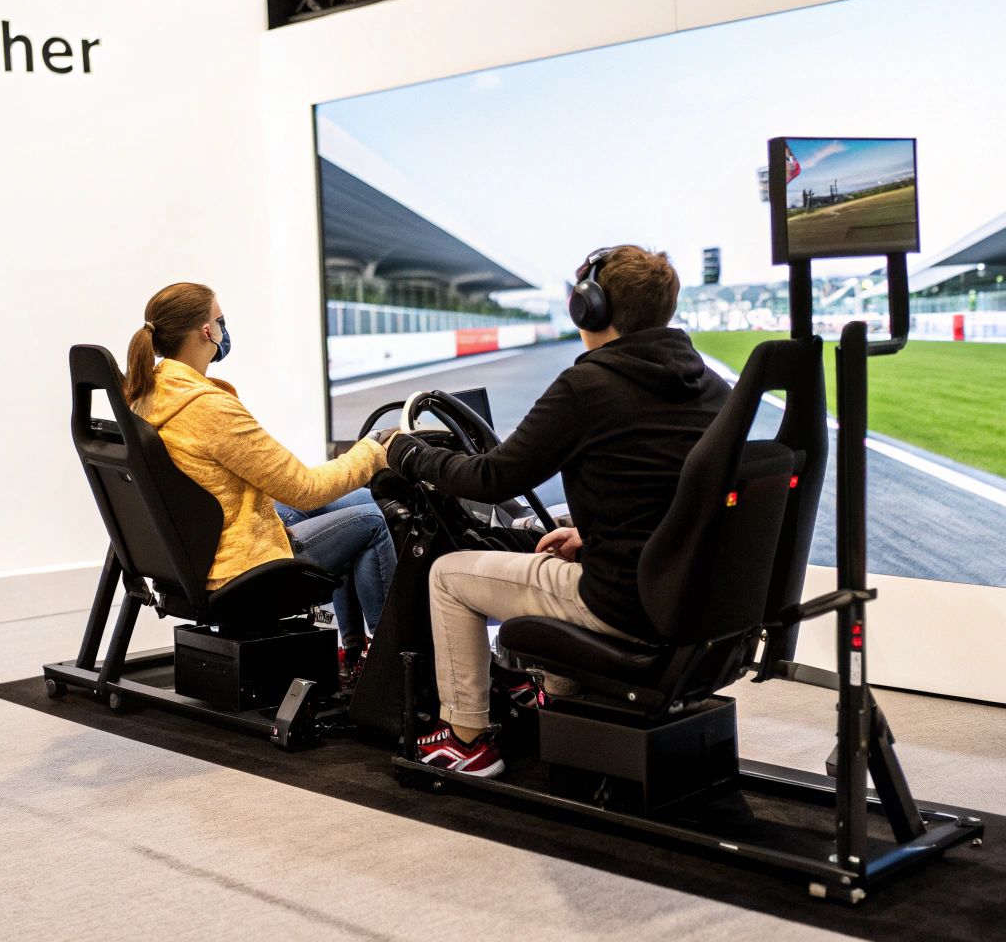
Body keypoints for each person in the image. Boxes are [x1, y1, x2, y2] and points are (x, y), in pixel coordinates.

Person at [383, 246, 730, 776]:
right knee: (550, 550)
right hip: (689, 598)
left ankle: (467, 738)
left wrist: (410, 455)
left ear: (589, 309)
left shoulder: (588, 386)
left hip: (621, 603)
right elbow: (673, 502)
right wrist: (593, 541)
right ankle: (559, 708)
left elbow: (492, 476)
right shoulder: (714, 389)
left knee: (447, 575)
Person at [124, 282, 395, 657]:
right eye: (221, 319)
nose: (223, 328)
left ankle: (352, 648)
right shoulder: (208, 408)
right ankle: (390, 663)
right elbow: (305, 488)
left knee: (356, 497)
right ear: (208, 331)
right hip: (240, 563)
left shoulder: (150, 394)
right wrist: (372, 451)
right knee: (372, 521)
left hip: (204, 546)